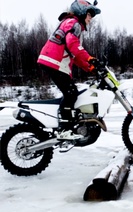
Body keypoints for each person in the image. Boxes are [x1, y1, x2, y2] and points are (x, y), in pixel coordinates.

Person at [37, 0, 101, 140]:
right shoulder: (73, 23)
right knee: (71, 93)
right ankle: (63, 129)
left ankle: (67, 125)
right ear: (81, 12)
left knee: (71, 92)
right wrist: (90, 58)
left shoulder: (74, 25)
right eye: (89, 14)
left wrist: (89, 67)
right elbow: (72, 44)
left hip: (57, 62)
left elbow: (75, 55)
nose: (90, 18)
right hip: (53, 61)